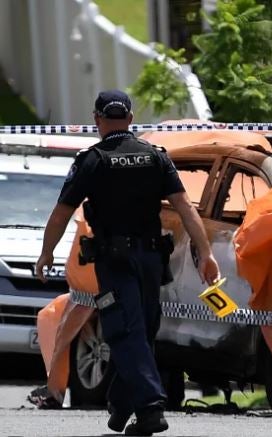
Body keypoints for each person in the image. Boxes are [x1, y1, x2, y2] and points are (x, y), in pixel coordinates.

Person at [36, 90, 220, 436]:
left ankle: (150, 409)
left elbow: (61, 213)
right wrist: (205, 253)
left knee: (125, 330)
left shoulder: (92, 159)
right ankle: (121, 406)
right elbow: (186, 208)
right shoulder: (156, 157)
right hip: (152, 259)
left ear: (97, 120)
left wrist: (46, 253)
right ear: (131, 120)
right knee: (142, 330)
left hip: (115, 261)